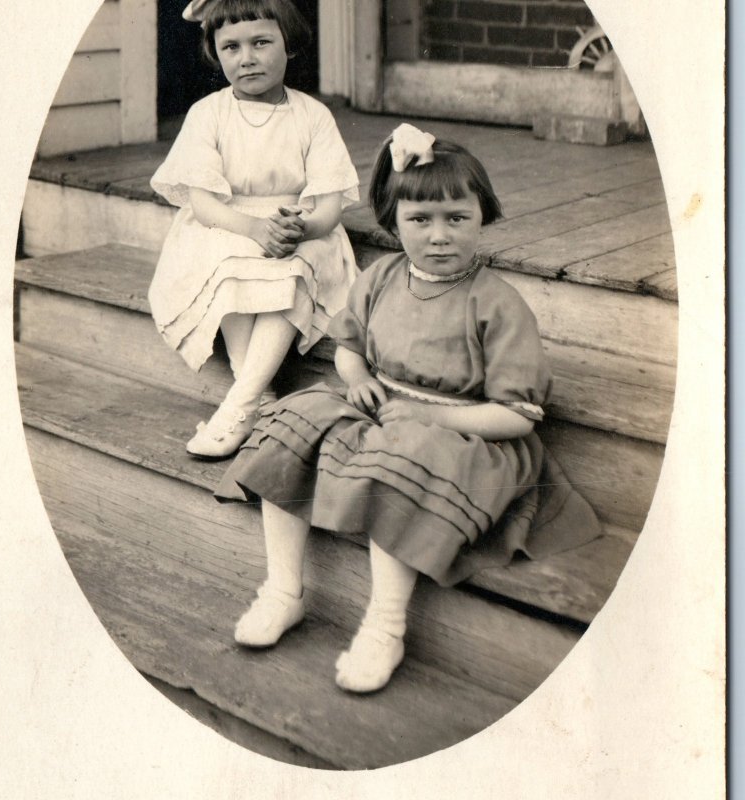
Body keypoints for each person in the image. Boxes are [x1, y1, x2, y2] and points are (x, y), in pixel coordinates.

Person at [215, 124, 601, 693]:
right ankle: (283, 590)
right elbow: (348, 346)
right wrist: (360, 376)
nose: (439, 236)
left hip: (468, 433)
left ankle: (385, 624)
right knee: (292, 425)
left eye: (456, 218)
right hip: (386, 409)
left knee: (403, 460)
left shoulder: (497, 303)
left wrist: (435, 417)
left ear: (483, 216)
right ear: (394, 222)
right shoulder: (382, 278)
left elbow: (516, 416)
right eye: (420, 220)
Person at [149, 0, 359, 458]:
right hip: (229, 221)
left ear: (289, 46)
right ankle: (254, 401)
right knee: (231, 261)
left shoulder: (311, 115)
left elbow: (328, 206)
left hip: (297, 226)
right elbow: (203, 203)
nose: (247, 57)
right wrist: (254, 229)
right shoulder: (209, 113)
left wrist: (298, 230)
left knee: (298, 268)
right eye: (231, 47)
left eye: (261, 42)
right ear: (216, 54)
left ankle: (239, 406)